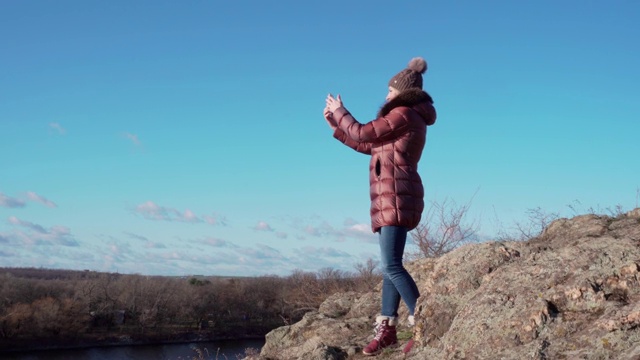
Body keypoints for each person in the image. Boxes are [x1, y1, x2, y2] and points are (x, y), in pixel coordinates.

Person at [323, 57, 436, 356]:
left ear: (402, 92)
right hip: (391, 195)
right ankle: (387, 331)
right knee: (389, 267)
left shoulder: (404, 114)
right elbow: (368, 145)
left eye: (389, 91)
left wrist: (340, 111)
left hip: (396, 193)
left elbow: (362, 131)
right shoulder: (406, 117)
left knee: (392, 266)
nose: (386, 96)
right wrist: (336, 125)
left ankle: (424, 325)